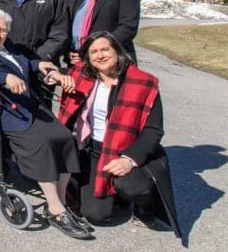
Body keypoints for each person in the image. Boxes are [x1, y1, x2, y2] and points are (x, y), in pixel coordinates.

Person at [0, 10, 91, 240]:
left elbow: (28, 60)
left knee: (63, 137)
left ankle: (60, 201)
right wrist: (4, 78)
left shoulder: (10, 46)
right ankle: (55, 209)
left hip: (25, 104)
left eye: (2, 30)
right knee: (41, 143)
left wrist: (45, 67)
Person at [58, 32, 181, 237]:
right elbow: (55, 74)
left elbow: (154, 130)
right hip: (93, 148)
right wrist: (50, 72)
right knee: (94, 214)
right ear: (87, 57)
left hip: (125, 148)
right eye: (93, 51)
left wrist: (128, 160)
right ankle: (114, 195)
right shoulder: (83, 75)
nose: (100, 56)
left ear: (117, 51)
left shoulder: (143, 83)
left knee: (134, 186)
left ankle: (143, 208)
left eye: (105, 49)